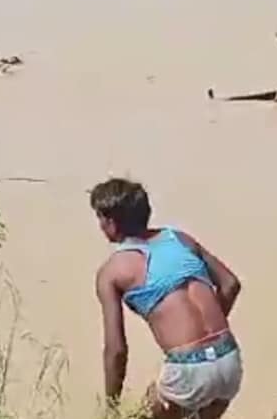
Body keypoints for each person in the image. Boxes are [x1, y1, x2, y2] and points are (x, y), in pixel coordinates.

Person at [90, 178, 243, 418]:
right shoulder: (179, 238)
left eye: (100, 217)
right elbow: (230, 284)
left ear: (111, 222)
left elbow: (116, 350)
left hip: (188, 369)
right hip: (228, 359)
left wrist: (110, 407)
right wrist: (207, 337)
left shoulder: (112, 271)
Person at [208, 74, 277, 105]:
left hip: (273, 95)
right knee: (247, 98)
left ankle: (219, 98)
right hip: (271, 95)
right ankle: (220, 98)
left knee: (246, 98)